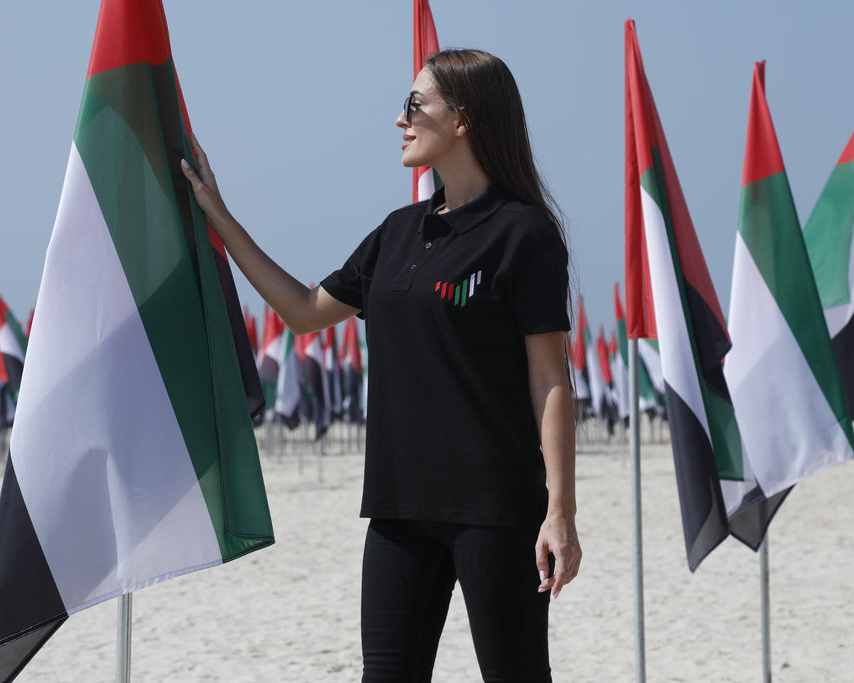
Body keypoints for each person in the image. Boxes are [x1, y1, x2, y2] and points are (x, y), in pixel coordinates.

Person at [182, 48, 581, 682]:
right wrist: (219, 217)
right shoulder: (397, 232)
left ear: (463, 119)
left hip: (496, 509)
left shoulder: (523, 233)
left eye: (414, 105)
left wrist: (561, 511)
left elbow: (550, 379)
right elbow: (305, 312)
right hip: (399, 508)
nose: (400, 119)